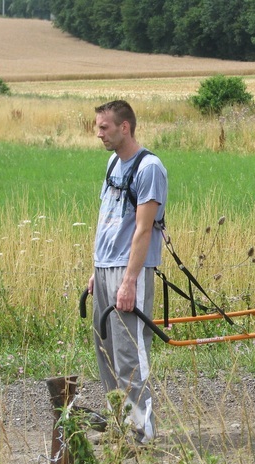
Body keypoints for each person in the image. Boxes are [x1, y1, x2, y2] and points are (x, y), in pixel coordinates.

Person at [87, 100, 168, 443]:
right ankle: (120, 422)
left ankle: (141, 430)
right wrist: (95, 269)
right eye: (97, 126)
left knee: (129, 354)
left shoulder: (149, 167)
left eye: (104, 127)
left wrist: (129, 281)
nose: (98, 133)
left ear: (125, 127)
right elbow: (108, 221)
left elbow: (143, 229)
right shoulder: (111, 163)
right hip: (105, 267)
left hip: (128, 270)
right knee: (105, 349)